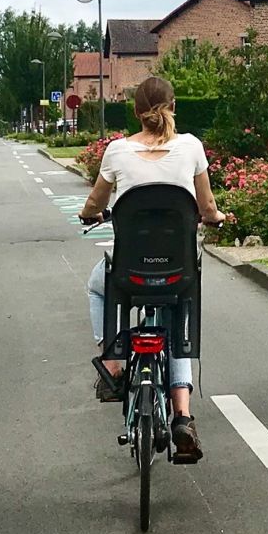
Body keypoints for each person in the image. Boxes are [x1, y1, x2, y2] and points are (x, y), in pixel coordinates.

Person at [79, 76, 225, 463]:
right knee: (176, 318)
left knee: (98, 287)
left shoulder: (116, 151)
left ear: (136, 112)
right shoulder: (191, 146)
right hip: (178, 272)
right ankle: (182, 416)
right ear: (173, 106)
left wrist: (90, 214)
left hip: (130, 272)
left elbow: (94, 203)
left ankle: (112, 364)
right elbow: (207, 207)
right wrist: (217, 218)